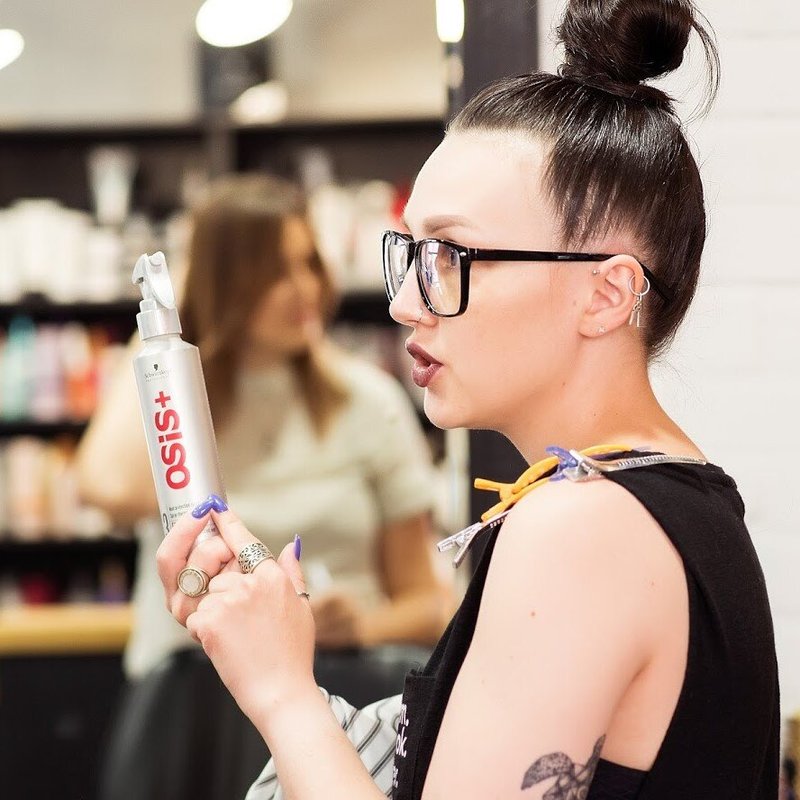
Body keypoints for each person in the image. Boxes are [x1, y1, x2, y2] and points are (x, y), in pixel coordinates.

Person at [154, 2, 780, 798]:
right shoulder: (670, 503)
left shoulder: (584, 529)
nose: (406, 301)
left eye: (452, 255)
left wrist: (281, 691)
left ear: (606, 294)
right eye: (412, 252)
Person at [77, 174, 451, 681]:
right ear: (221, 282)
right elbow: (108, 488)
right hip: (196, 693)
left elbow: (429, 605)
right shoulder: (179, 406)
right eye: (273, 272)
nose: (304, 289)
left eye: (308, 263)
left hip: (338, 688)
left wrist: (360, 626)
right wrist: (166, 319)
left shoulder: (366, 400)